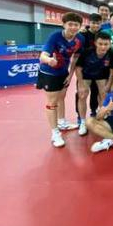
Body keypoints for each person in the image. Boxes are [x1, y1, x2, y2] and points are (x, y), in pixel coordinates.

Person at [36, 12, 84, 148]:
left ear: (80, 26)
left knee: (61, 98)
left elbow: (75, 57)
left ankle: (62, 122)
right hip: (49, 73)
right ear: (64, 24)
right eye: (70, 24)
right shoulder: (55, 36)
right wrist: (49, 60)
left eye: (76, 25)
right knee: (52, 102)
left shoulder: (80, 39)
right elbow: (42, 56)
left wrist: (70, 74)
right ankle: (55, 133)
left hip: (63, 72)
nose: (73, 27)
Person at [76, 33, 113, 136]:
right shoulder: (87, 52)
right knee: (82, 95)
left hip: (101, 76)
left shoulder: (112, 54)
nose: (103, 47)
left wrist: (108, 85)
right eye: (100, 44)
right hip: (86, 75)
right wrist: (80, 84)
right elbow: (78, 68)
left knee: (104, 95)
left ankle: (102, 118)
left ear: (110, 44)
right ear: (95, 43)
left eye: (106, 44)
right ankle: (82, 122)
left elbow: (112, 71)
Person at [75, 13, 104, 120]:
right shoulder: (82, 34)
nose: (95, 25)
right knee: (81, 92)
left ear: (101, 24)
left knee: (95, 91)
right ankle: (80, 117)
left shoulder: (103, 34)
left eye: (98, 23)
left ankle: (93, 110)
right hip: (84, 69)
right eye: (93, 23)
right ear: (89, 22)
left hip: (98, 69)